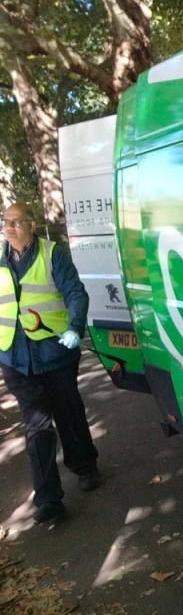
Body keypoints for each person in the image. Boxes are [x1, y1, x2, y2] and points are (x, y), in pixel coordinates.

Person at [0, 203, 99, 524]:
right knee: (37, 426)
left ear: (32, 224)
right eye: (6, 222)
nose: (10, 227)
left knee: (68, 413)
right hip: (16, 360)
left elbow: (75, 294)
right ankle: (48, 500)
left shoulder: (52, 254)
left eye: (17, 222)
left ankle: (84, 466)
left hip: (55, 353)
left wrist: (74, 328)